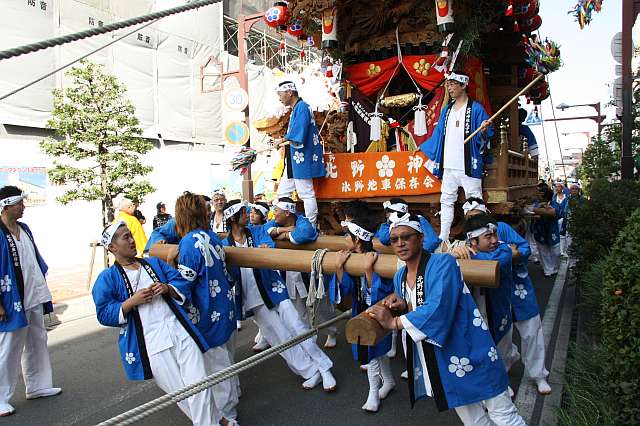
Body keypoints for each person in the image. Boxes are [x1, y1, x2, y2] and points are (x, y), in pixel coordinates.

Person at [366, 213, 525, 426]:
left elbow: (438, 307)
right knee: (474, 421)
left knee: (504, 416)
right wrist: (403, 304)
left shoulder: (443, 262)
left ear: (421, 238)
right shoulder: (400, 276)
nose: (400, 243)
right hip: (442, 360)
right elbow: (418, 302)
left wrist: (394, 322)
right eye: (394, 239)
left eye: (406, 237)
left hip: (470, 349)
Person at [92, 221, 220, 425]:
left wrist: (167, 288)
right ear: (112, 247)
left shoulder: (154, 264)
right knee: (181, 393)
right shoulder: (107, 278)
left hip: (180, 330)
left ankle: (213, 422)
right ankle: (219, 421)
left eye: (131, 235)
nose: (132, 240)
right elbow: (103, 313)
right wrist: (131, 302)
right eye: (126, 237)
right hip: (152, 343)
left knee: (200, 385)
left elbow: (180, 281)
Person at [222, 200, 336, 392]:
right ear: (233, 217)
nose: (248, 214)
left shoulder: (257, 231)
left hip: (273, 288)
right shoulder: (225, 244)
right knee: (280, 339)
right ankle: (310, 371)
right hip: (252, 296)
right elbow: (230, 275)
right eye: (244, 212)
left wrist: (274, 239)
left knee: (297, 326)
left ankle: (324, 368)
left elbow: (272, 243)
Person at [463, 198, 551, 394]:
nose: (475, 220)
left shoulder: (500, 228)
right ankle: (503, 373)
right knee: (500, 337)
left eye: (478, 216)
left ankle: (539, 375)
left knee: (531, 331)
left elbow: (524, 248)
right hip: (494, 296)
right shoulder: (467, 241)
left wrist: (512, 255)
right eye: (470, 218)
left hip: (518, 290)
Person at [174, 192, 238, 424]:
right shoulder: (212, 237)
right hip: (225, 306)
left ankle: (227, 415)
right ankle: (232, 400)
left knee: (216, 367)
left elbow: (185, 284)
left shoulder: (188, 243)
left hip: (206, 312)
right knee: (226, 359)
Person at [0, 187, 61, 417]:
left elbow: (34, 260)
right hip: (12, 299)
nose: (23, 207)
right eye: (19, 204)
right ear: (6, 205)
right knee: (9, 348)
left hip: (33, 295)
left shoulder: (24, 229)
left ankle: (38, 385)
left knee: (37, 340)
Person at [329, 218, 394, 412]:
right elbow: (347, 290)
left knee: (372, 353)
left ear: (357, 239)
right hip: (360, 311)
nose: (344, 239)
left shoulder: (377, 258)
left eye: (347, 235)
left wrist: (368, 271)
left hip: (377, 312)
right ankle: (389, 381)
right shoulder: (349, 257)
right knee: (377, 351)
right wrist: (339, 268)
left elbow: (382, 296)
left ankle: (373, 393)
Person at [419, 72, 493, 243]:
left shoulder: (476, 109)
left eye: (453, 84)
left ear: (463, 85)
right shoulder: (446, 110)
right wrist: (424, 148)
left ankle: (479, 236)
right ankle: (444, 236)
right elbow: (438, 135)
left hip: (468, 163)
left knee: (474, 200)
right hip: (449, 164)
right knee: (446, 200)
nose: (449, 88)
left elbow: (487, 134)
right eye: (448, 84)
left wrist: (483, 130)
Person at [264, 198, 338, 347]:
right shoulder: (277, 223)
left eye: (276, 210)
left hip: (310, 274)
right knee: (299, 312)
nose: (274, 213)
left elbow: (302, 235)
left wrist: (283, 236)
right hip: (289, 275)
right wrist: (283, 231)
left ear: (287, 212)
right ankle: (308, 342)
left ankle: (331, 332)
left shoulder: (303, 221)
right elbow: (265, 230)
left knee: (322, 309)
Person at [450, 214, 516, 374]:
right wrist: (453, 254)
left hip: (499, 310)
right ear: (473, 240)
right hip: (475, 312)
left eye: (495, 235)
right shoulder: (462, 250)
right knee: (481, 350)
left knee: (501, 350)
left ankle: (504, 373)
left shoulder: (504, 250)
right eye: (488, 237)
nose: (494, 240)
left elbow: (493, 262)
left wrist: (466, 255)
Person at [275, 81, 325, 227]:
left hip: (302, 156)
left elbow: (298, 133)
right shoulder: (297, 108)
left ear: (290, 92)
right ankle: (287, 222)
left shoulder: (302, 107)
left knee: (306, 193)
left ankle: (310, 226)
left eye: (280, 94)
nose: (279, 98)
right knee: (282, 192)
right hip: (295, 157)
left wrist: (283, 139)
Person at [375, 198, 440, 253]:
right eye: (386, 213)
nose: (386, 216)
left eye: (388, 212)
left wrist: (416, 256)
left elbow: (431, 242)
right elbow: (384, 239)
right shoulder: (391, 224)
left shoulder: (418, 219)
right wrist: (388, 223)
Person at [531, 186, 561, 276]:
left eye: (540, 195)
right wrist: (540, 210)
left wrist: (537, 211)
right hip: (540, 230)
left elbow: (553, 212)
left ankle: (555, 268)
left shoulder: (554, 204)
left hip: (552, 230)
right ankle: (547, 269)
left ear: (546, 196)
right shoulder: (537, 204)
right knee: (543, 251)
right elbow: (529, 211)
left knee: (556, 251)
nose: (538, 196)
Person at [551, 182, 569, 256]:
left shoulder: (566, 196)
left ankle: (563, 250)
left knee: (563, 234)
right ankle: (557, 249)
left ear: (562, 188)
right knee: (556, 233)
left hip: (564, 217)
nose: (557, 188)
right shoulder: (553, 197)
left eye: (559, 187)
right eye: (556, 187)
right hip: (556, 218)